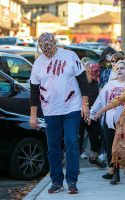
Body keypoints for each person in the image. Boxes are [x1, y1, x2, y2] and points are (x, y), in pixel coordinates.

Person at [29, 32, 89, 194]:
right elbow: (34, 91)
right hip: (50, 110)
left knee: (71, 142)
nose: (45, 49)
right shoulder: (38, 63)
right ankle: (56, 181)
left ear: (54, 43)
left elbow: (83, 81)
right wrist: (33, 115)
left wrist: (85, 105)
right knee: (53, 146)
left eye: (48, 46)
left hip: (72, 108)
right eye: (42, 47)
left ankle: (71, 181)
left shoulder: (70, 56)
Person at [89, 60, 125, 182]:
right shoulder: (110, 84)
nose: (119, 70)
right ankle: (111, 170)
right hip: (109, 119)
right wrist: (93, 113)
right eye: (118, 68)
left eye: (122, 68)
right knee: (110, 145)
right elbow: (100, 99)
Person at [78, 58, 107, 168]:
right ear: (86, 71)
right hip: (79, 113)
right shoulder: (79, 82)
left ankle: (94, 157)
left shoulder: (96, 82)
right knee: (77, 138)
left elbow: (99, 98)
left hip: (93, 113)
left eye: (95, 73)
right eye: (91, 72)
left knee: (98, 135)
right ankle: (75, 164)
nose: (93, 75)